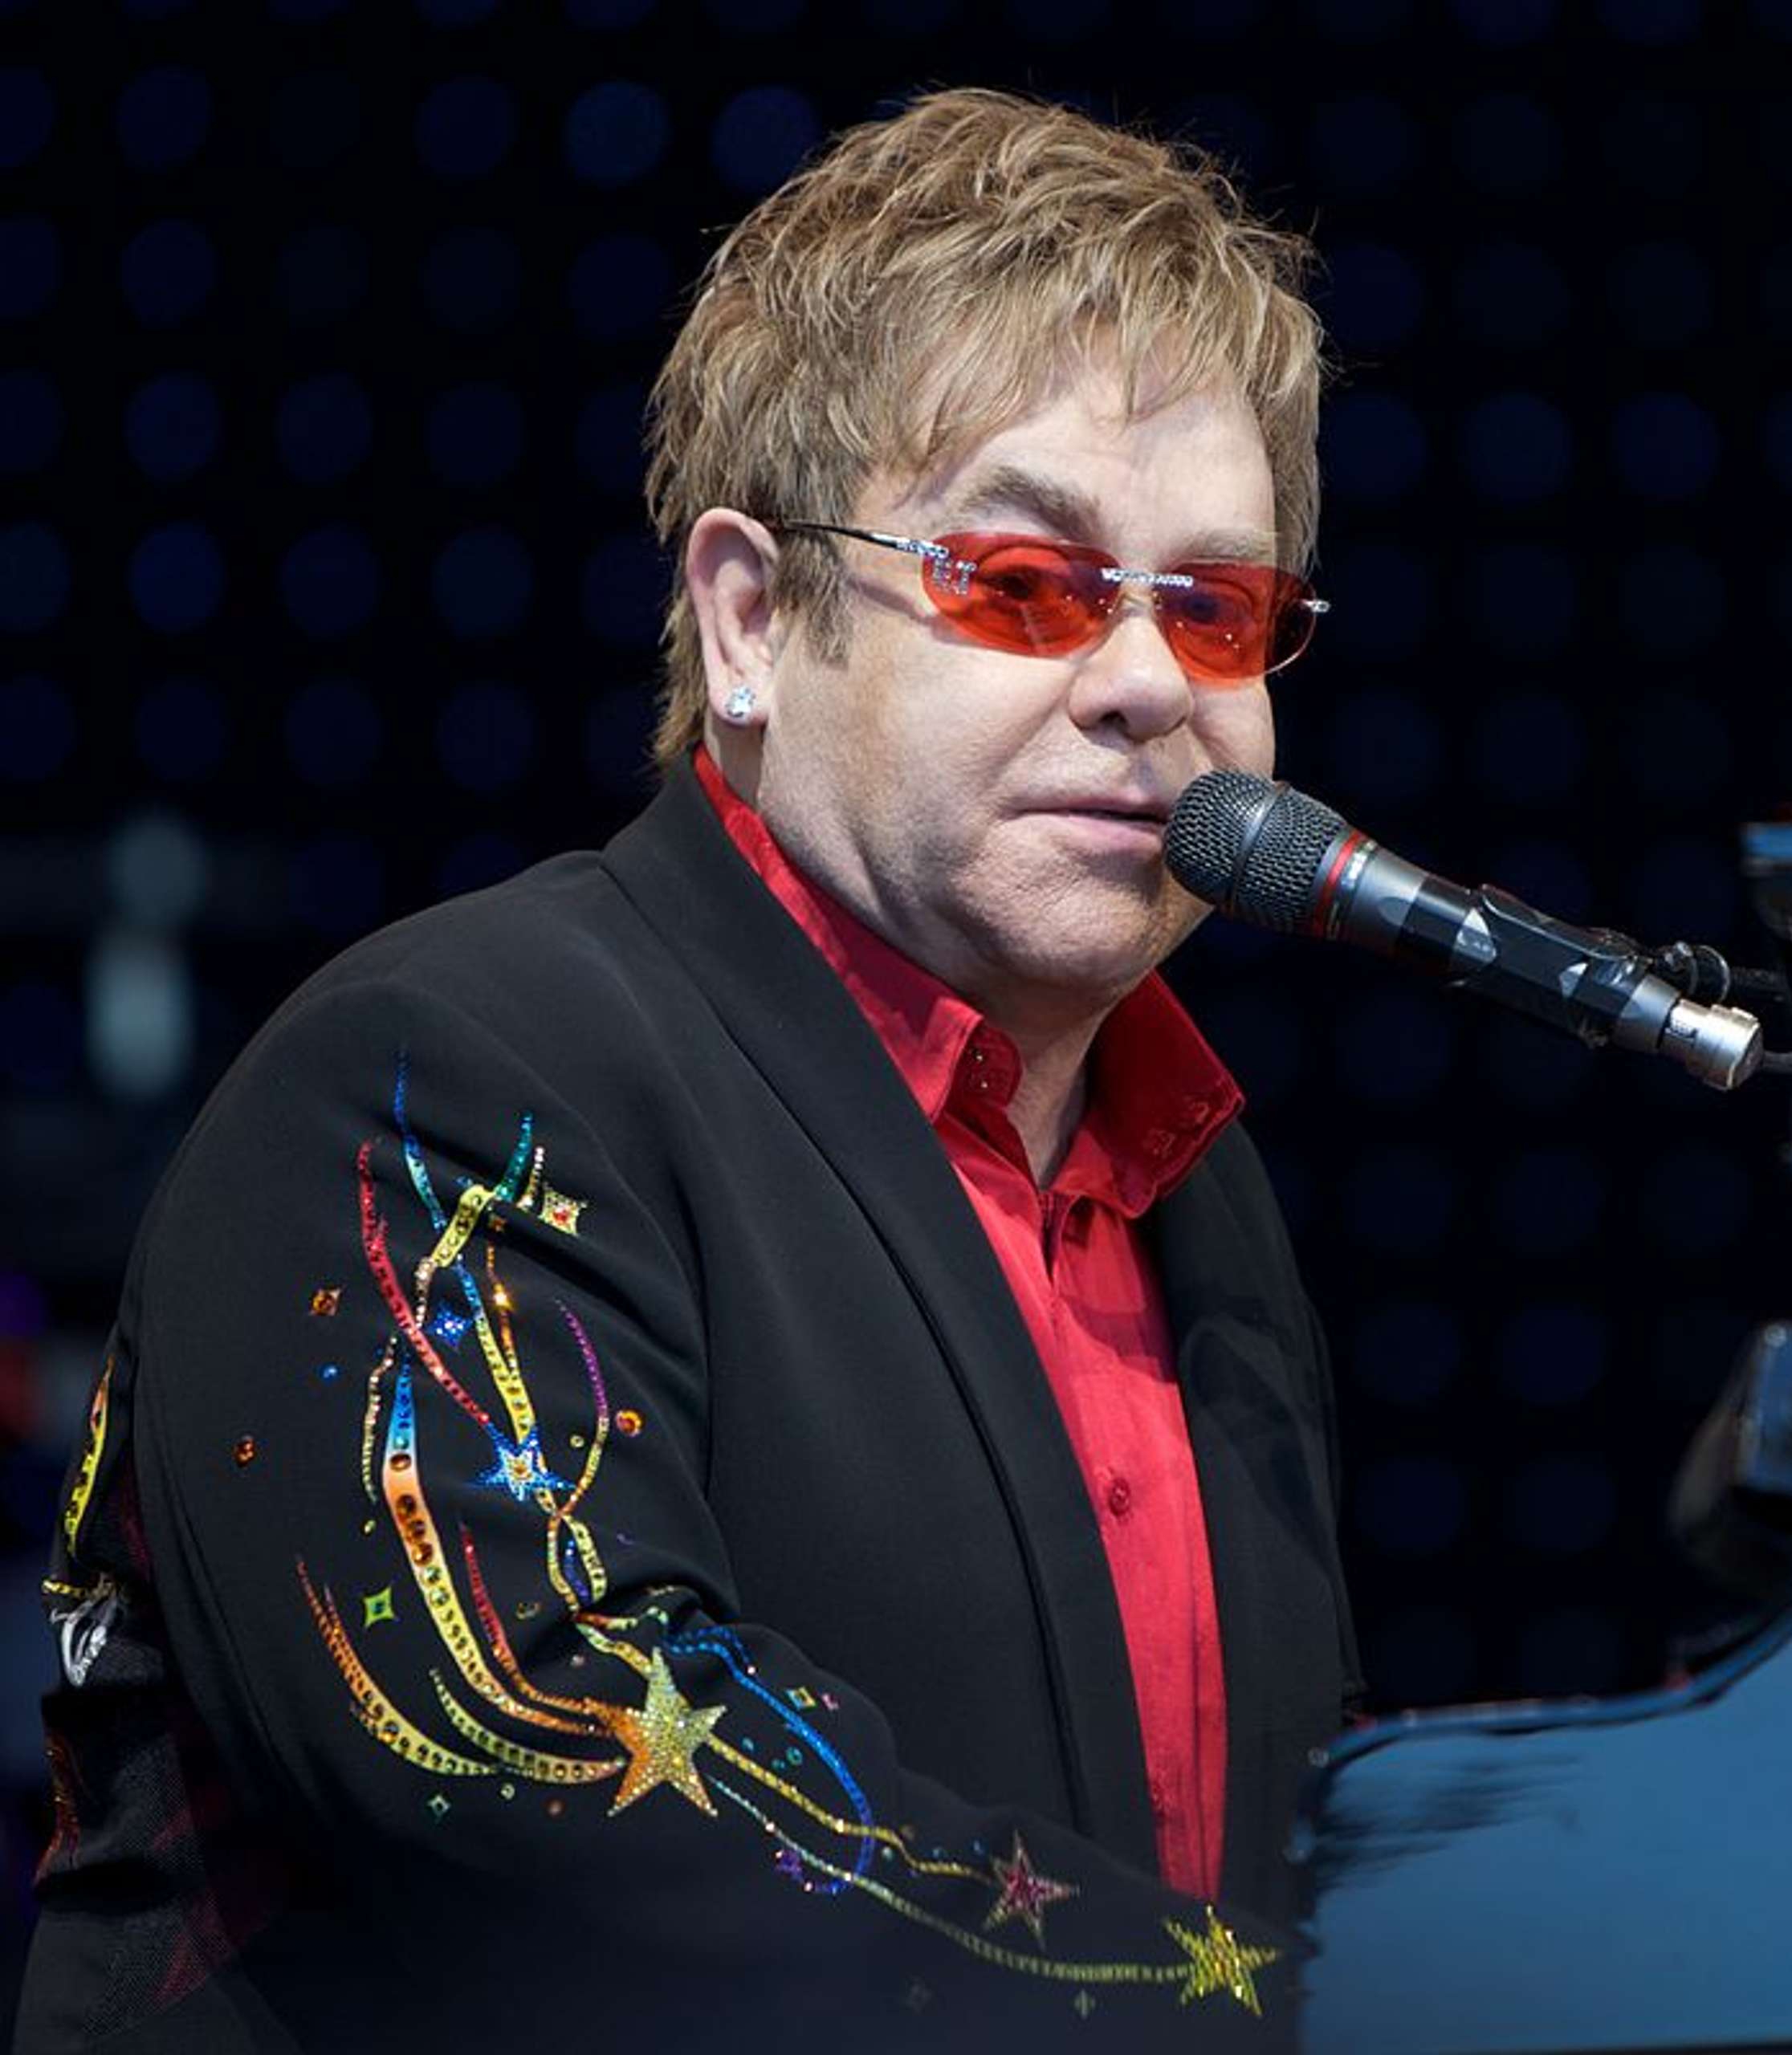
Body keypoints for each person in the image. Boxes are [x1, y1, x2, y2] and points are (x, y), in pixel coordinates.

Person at [20, 88, 1354, 2053]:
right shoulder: (432, 1083)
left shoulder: (1198, 1189)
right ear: (747, 617)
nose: (1148, 677)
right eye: (1024, 579)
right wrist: (1277, 2004)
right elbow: (575, 1767)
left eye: (1213, 603)